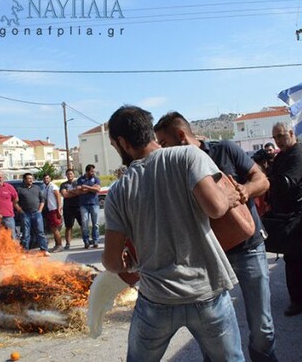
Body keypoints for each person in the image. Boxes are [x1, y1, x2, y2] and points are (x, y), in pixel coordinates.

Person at [102, 105, 245, 362]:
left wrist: (129, 261)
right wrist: (230, 196)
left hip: (155, 300)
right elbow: (215, 208)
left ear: (123, 142)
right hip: (206, 292)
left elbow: (111, 262)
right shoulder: (188, 156)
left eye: (114, 146)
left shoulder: (118, 190)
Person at [154, 112, 277, 362]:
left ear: (180, 136)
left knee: (262, 326)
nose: (161, 150)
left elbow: (261, 180)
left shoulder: (225, 150)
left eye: (164, 143)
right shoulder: (173, 168)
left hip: (248, 247)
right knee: (213, 330)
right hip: (209, 256)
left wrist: (245, 190)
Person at [268, 121, 302, 316]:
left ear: (291, 133)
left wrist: (264, 179)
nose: (278, 141)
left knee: (292, 256)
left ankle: (298, 300)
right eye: (275, 137)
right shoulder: (284, 155)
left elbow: (286, 182)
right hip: (287, 211)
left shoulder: (297, 154)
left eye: (280, 136)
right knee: (297, 256)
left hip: (296, 211)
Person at [15, 173, 49, 256]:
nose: (31, 180)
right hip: (25, 214)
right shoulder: (19, 189)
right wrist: (20, 211)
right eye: (29, 178)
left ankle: (44, 250)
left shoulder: (37, 188)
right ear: (24, 180)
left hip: (36, 213)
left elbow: (42, 200)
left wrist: (40, 210)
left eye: (31, 178)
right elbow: (15, 202)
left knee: (40, 232)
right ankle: (24, 252)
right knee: (26, 234)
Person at [76, 164, 101, 249]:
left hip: (94, 204)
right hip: (83, 204)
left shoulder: (96, 179)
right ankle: (86, 241)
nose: (93, 173)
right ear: (87, 171)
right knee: (85, 224)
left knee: (96, 224)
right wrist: (91, 189)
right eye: (91, 171)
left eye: (93, 171)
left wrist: (86, 187)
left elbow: (97, 189)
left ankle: (95, 241)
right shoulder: (80, 179)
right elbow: (79, 191)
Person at [59, 169, 82, 250]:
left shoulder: (78, 183)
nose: (69, 175)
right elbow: (65, 195)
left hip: (78, 206)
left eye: (71, 174)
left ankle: (86, 240)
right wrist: (75, 192)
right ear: (66, 175)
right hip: (68, 208)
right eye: (68, 174)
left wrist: (70, 191)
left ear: (73, 175)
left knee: (83, 225)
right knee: (68, 226)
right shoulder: (63, 185)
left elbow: (80, 192)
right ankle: (68, 243)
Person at [0, 171, 19, 239]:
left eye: (0, 177)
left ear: (3, 178)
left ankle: (14, 250)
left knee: (12, 237)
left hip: (8, 217)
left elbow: (16, 199)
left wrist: (9, 207)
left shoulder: (9, 187)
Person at [42, 174, 63, 253]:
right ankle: (56, 245)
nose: (46, 180)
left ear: (50, 178)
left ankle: (60, 245)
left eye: (47, 178)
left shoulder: (53, 187)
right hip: (49, 210)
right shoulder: (45, 187)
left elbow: (58, 198)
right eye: (44, 178)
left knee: (55, 229)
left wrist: (59, 209)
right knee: (52, 228)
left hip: (54, 210)